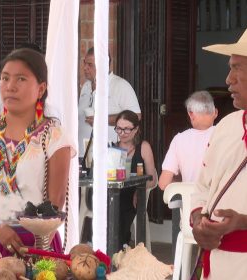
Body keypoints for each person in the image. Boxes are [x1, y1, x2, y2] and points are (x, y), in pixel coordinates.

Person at [0, 48, 75, 256]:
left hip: (34, 246)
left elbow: (55, 203)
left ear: (40, 89)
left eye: (21, 79)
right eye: (5, 78)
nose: (10, 87)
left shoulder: (54, 137)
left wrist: (34, 242)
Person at [191, 29, 247, 279]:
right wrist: (197, 221)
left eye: (237, 68)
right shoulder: (227, 126)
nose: (228, 79)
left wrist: (242, 223)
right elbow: (202, 187)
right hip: (217, 267)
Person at [159, 90, 218, 256]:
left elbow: (163, 183)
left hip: (191, 221)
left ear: (190, 114)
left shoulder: (179, 140)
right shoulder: (223, 135)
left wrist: (184, 181)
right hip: (219, 221)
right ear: (216, 113)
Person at [78, 47, 141, 159]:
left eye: (90, 65)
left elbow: (136, 116)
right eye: (84, 63)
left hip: (109, 157)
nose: (85, 68)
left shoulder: (120, 85)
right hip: (84, 155)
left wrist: (102, 119)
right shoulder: (86, 87)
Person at [113, 110, 156, 249]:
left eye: (126, 129)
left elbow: (152, 179)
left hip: (133, 195)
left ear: (136, 129)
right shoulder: (112, 148)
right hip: (114, 193)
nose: (122, 133)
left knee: (123, 205)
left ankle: (118, 247)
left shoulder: (143, 147)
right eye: (119, 129)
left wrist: (139, 189)